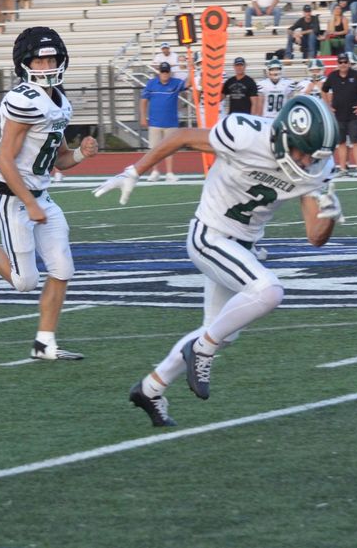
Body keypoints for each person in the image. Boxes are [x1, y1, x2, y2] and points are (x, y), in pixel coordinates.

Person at [92, 95, 343, 426]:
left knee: (222, 331)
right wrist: (134, 170)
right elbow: (182, 136)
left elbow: (315, 237)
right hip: (209, 234)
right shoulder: (245, 134)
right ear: (283, 135)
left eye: (314, 156)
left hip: (242, 246)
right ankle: (202, 349)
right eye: (303, 151)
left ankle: (150, 388)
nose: (308, 161)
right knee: (268, 291)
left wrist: (329, 215)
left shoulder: (315, 167)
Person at [0, 27, 99, 361]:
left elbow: (60, 158)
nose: (47, 65)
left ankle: (44, 343)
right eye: (40, 60)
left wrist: (81, 153)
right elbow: (4, 161)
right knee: (24, 282)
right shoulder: (22, 100)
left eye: (51, 58)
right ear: (25, 63)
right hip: (14, 198)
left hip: (40, 197)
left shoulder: (60, 101)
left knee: (62, 268)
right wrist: (30, 203)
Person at [321, 51, 357, 176]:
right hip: (338, 114)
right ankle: (343, 168)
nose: (343, 64)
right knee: (341, 143)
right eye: (341, 62)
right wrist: (328, 106)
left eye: (345, 62)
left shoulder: (356, 75)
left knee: (355, 142)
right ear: (337, 63)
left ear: (349, 63)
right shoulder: (333, 76)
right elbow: (324, 90)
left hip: (353, 114)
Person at [140, 61, 186, 181]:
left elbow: (189, 84)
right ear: (159, 72)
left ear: (170, 72)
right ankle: (155, 171)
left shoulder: (176, 83)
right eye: (162, 72)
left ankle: (169, 172)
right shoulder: (151, 83)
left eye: (166, 72)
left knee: (169, 149)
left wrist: (191, 68)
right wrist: (143, 117)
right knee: (154, 149)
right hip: (155, 122)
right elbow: (143, 100)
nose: (164, 74)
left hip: (171, 122)